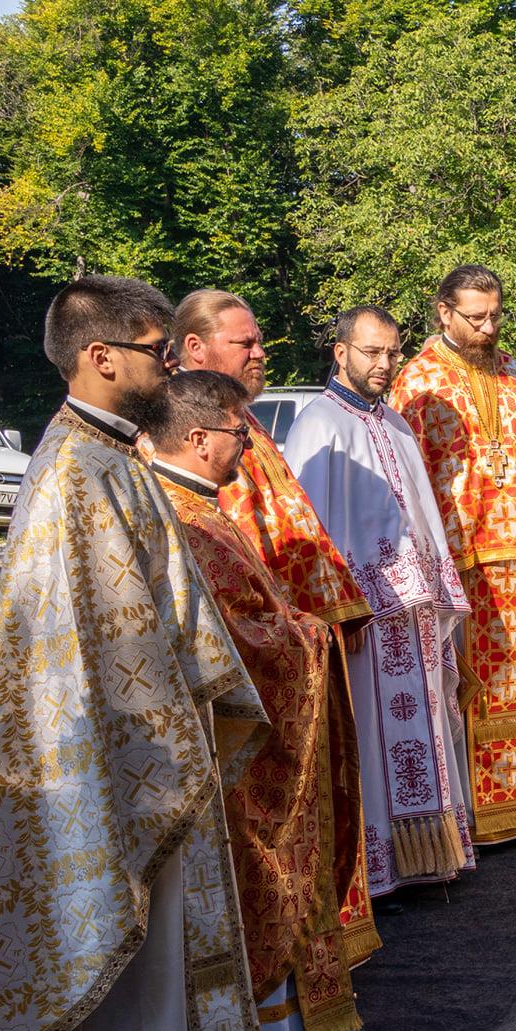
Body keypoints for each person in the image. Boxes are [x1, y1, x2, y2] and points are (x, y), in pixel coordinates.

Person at [0, 277, 271, 1031]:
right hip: (113, 772)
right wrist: (170, 739)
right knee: (127, 969)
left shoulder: (109, 459)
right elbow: (91, 647)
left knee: (154, 962)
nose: (169, 364)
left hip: (147, 753)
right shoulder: (74, 473)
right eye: (156, 349)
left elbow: (157, 611)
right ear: (102, 357)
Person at [147, 371, 361, 1031]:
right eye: (242, 434)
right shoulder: (186, 517)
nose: (248, 447)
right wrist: (306, 635)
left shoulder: (197, 506)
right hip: (231, 748)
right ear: (202, 438)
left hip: (234, 738)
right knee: (254, 882)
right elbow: (231, 638)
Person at [176, 289, 376, 955]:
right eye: (246, 343)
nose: (262, 353)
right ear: (195, 350)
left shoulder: (249, 425)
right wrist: (300, 632)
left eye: (260, 341)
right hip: (256, 658)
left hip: (290, 646)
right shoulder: (191, 433)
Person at [390, 265, 516, 848]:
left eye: (494, 316)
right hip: (460, 567)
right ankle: (471, 819)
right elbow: (411, 481)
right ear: (444, 312)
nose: (486, 327)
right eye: (474, 317)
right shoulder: (419, 383)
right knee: (466, 691)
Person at [287, 307, 477, 899]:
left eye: (392, 352)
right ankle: (377, 875)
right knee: (371, 739)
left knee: (424, 733)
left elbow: (422, 518)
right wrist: (343, 608)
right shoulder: (319, 426)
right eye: (371, 352)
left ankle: (430, 857)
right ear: (341, 353)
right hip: (366, 618)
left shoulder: (394, 423)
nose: (384, 363)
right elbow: (311, 532)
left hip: (414, 614)